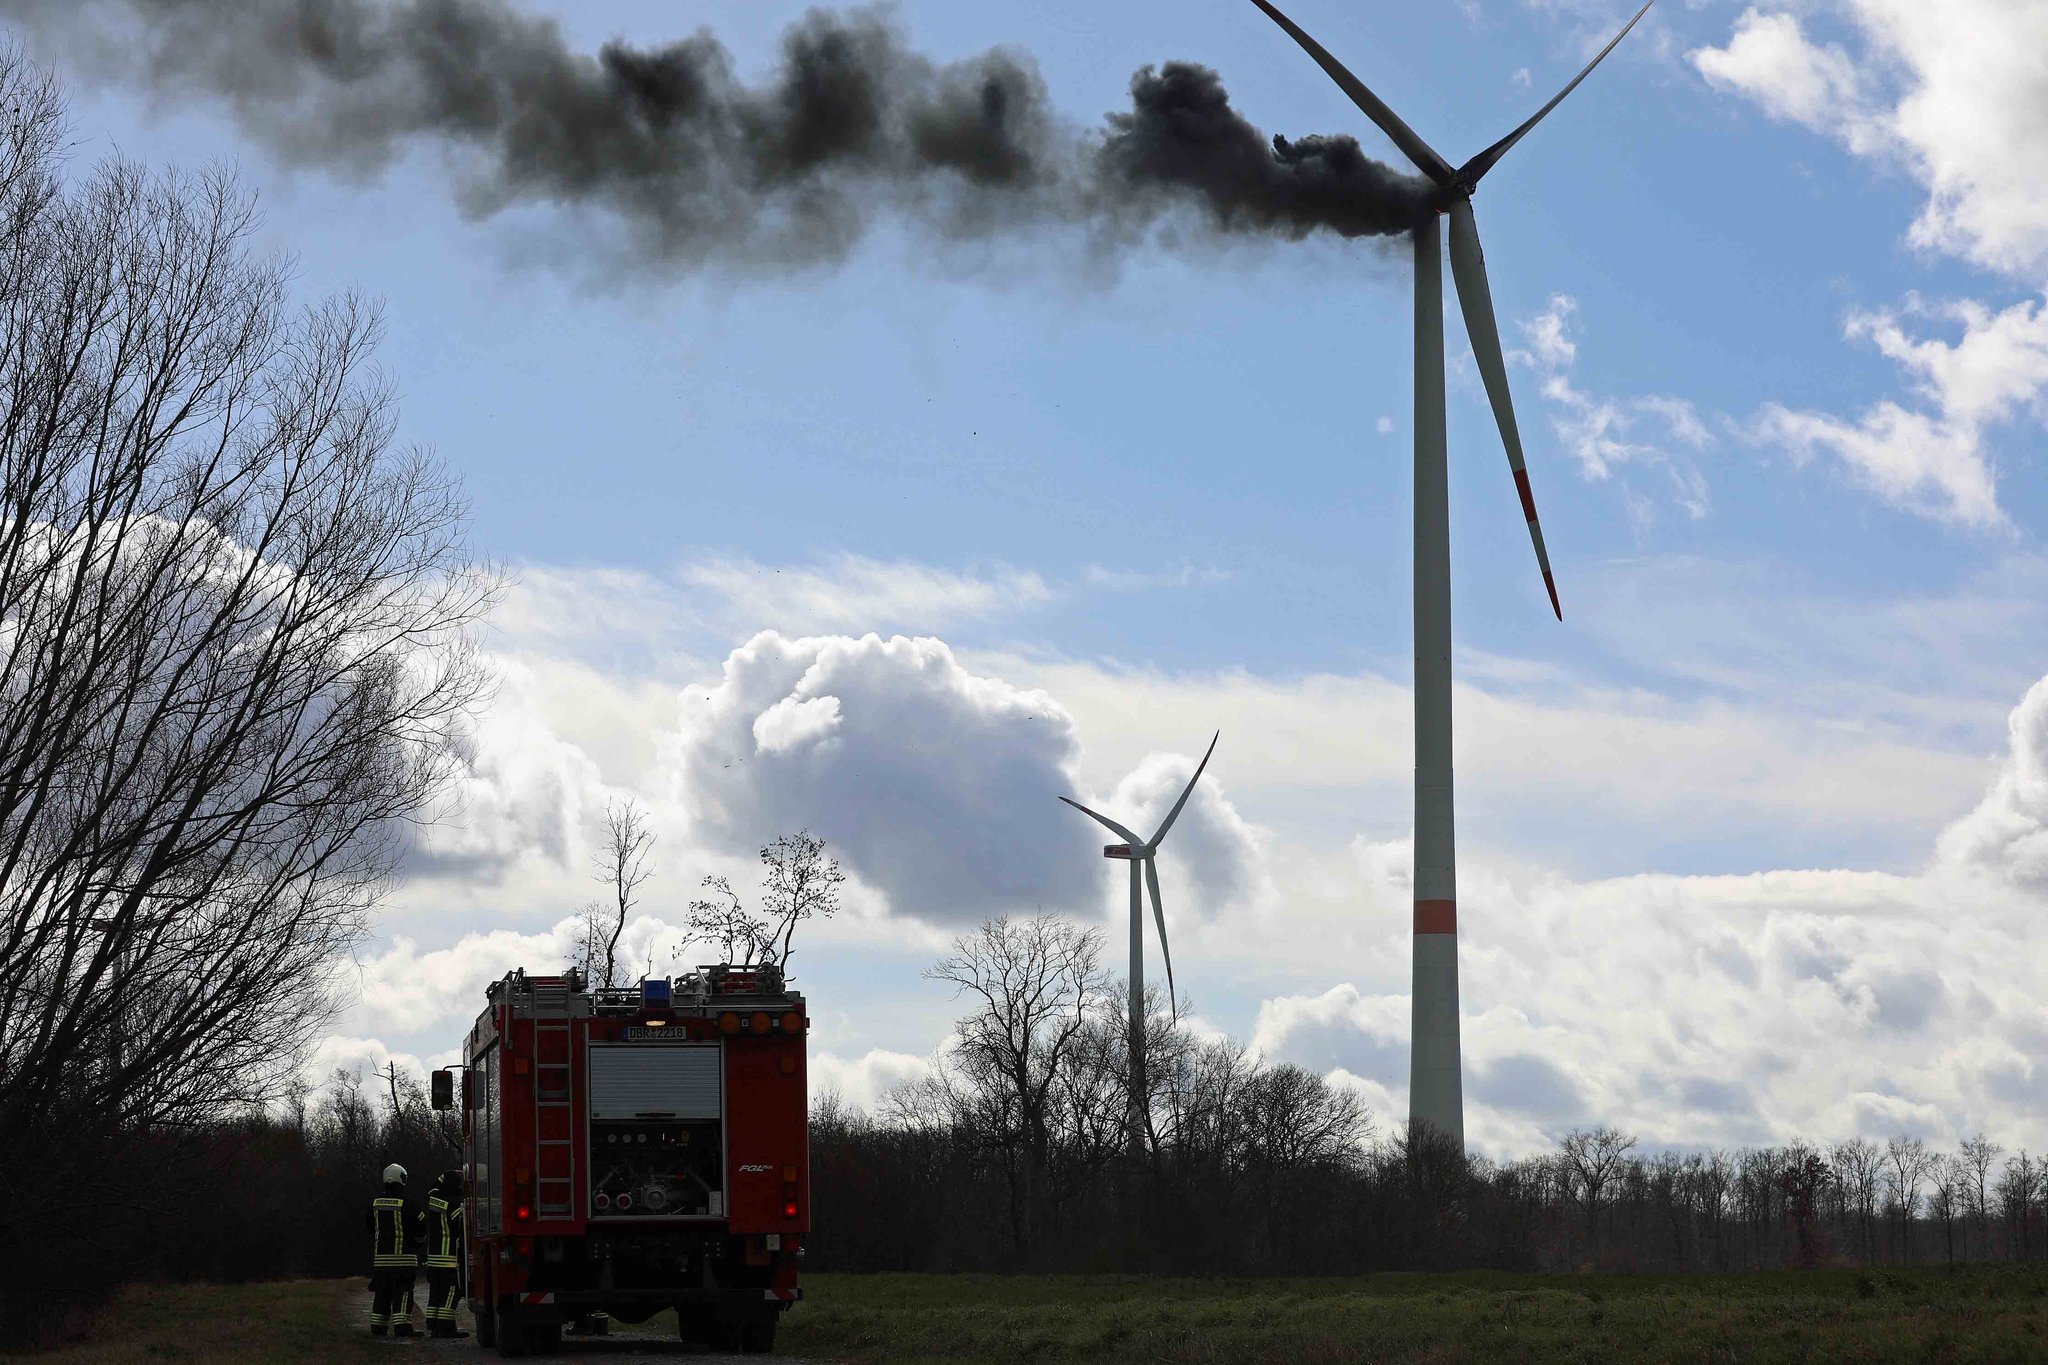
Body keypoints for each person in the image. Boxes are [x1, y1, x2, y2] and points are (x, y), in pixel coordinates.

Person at [367, 1163, 420, 1337]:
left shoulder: (374, 1204)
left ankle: (378, 1326)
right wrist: (417, 1243)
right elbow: (420, 1229)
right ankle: (402, 1327)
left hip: (381, 1260)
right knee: (403, 1292)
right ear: (402, 1179)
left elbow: (369, 1227)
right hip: (404, 1260)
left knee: (382, 1293)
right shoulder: (409, 1204)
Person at [421, 1169, 469, 1339]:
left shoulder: (434, 1199)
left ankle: (433, 1325)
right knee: (451, 1291)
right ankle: (446, 1327)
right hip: (448, 1256)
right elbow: (461, 1229)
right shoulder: (453, 1204)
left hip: (433, 1257)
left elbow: (433, 1188)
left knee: (436, 1292)